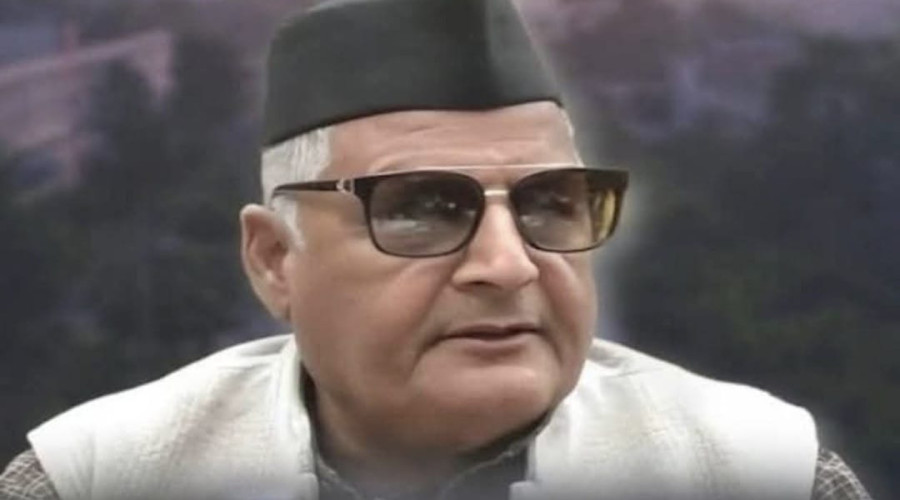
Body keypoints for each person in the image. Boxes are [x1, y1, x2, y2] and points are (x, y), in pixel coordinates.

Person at [0, 0, 875, 498]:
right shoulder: (96, 481)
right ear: (274, 260)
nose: (508, 264)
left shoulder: (761, 474)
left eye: (549, 204)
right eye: (421, 208)